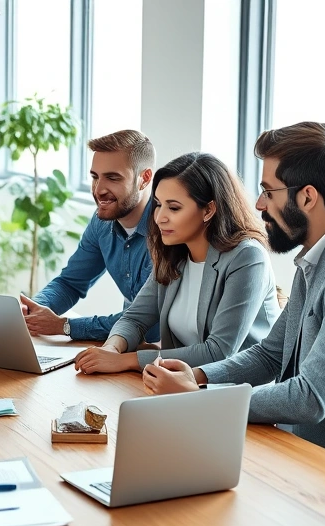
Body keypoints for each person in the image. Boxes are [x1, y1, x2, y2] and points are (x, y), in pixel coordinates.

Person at [141, 122, 325, 469]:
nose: (259, 204)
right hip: (297, 451)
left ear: (306, 196)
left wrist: (199, 397)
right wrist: (197, 377)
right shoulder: (320, 257)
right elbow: (270, 355)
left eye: (269, 192)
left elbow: (310, 397)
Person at [74, 152, 280, 374]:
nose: (160, 217)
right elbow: (134, 318)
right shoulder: (174, 252)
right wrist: (111, 349)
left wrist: (127, 360)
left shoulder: (248, 258)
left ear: (209, 210)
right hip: (180, 385)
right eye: (158, 204)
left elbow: (218, 352)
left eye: (173, 208)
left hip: (238, 393)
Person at [20, 130, 161, 343]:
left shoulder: (166, 231)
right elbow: (70, 283)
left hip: (165, 354)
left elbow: (148, 324)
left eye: (113, 178)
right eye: (95, 177)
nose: (99, 190)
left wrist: (64, 326)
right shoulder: (101, 223)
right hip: (126, 349)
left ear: (144, 178)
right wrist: (32, 310)